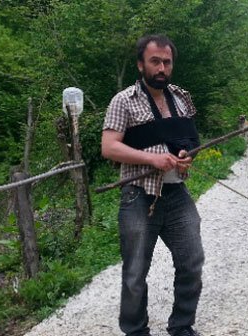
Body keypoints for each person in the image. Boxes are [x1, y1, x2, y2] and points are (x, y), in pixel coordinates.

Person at [101, 34, 204, 336]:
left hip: (176, 194)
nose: (161, 68)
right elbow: (108, 147)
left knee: (192, 261)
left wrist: (187, 157)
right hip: (138, 196)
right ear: (140, 64)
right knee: (135, 271)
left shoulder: (182, 98)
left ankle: (182, 326)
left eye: (166, 62)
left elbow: (190, 142)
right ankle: (135, 331)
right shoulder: (123, 101)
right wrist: (151, 160)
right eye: (155, 61)